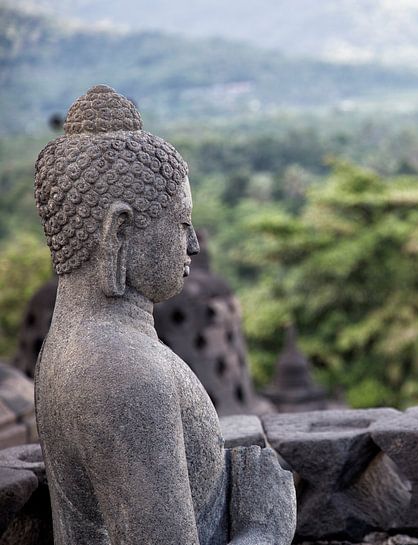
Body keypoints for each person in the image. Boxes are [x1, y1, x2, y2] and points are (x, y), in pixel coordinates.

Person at [34, 84, 295, 545]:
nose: (192, 244)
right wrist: (264, 528)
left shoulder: (69, 349)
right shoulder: (125, 374)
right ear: (119, 231)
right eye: (181, 223)